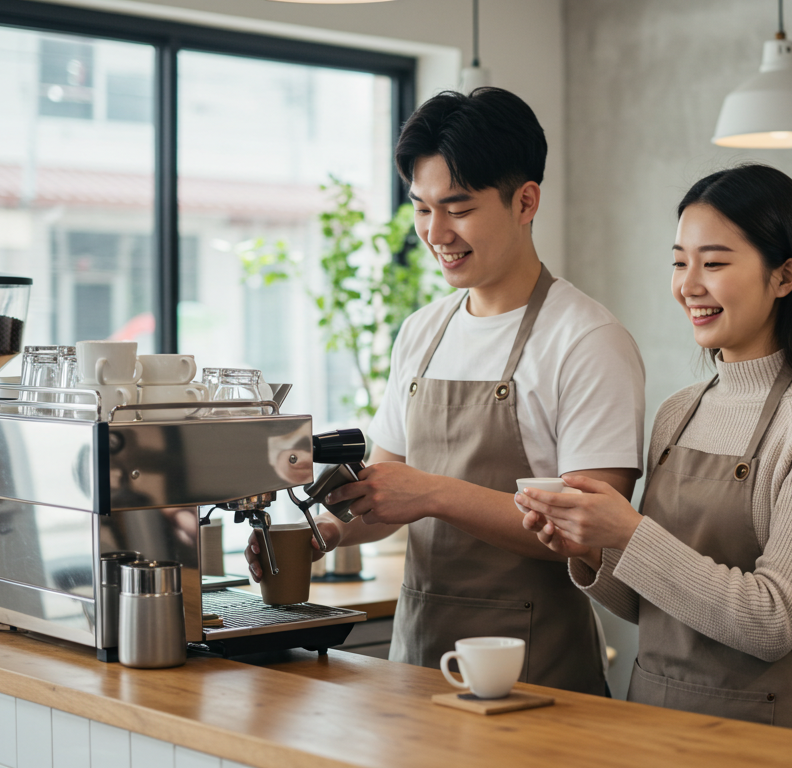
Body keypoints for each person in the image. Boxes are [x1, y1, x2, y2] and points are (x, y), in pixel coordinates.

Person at [247, 88, 645, 697]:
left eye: (457, 208)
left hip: (537, 679)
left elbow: (587, 533)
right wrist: (328, 533)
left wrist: (433, 493)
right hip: (420, 663)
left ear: (525, 201)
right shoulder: (423, 331)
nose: (436, 233)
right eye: (421, 208)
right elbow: (386, 487)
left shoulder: (588, 340)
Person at [515, 164, 792, 730]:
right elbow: (653, 605)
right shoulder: (678, 411)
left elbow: (772, 621)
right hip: (652, 722)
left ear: (784, 276)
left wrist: (627, 532)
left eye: (714, 263)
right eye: (679, 261)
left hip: (764, 736)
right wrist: (591, 549)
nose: (688, 285)